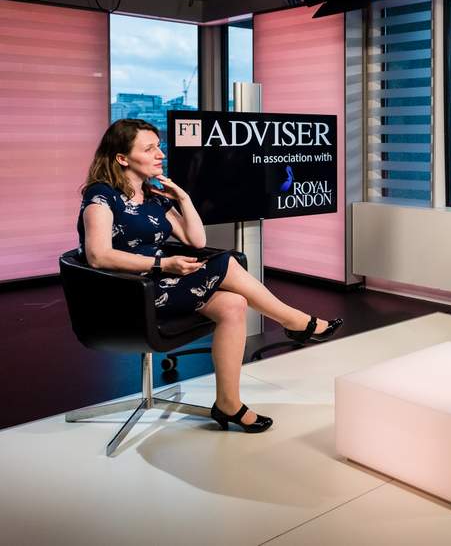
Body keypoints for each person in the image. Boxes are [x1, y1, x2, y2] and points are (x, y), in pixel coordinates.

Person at [77, 119, 342, 434]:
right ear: (122, 158)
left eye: (158, 146)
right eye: (149, 149)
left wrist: (183, 198)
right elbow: (98, 255)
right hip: (125, 293)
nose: (160, 154)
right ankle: (295, 321)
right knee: (226, 262)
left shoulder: (154, 196)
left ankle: (228, 403)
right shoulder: (101, 195)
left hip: (160, 282)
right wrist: (163, 264)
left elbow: (197, 240)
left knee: (233, 305)